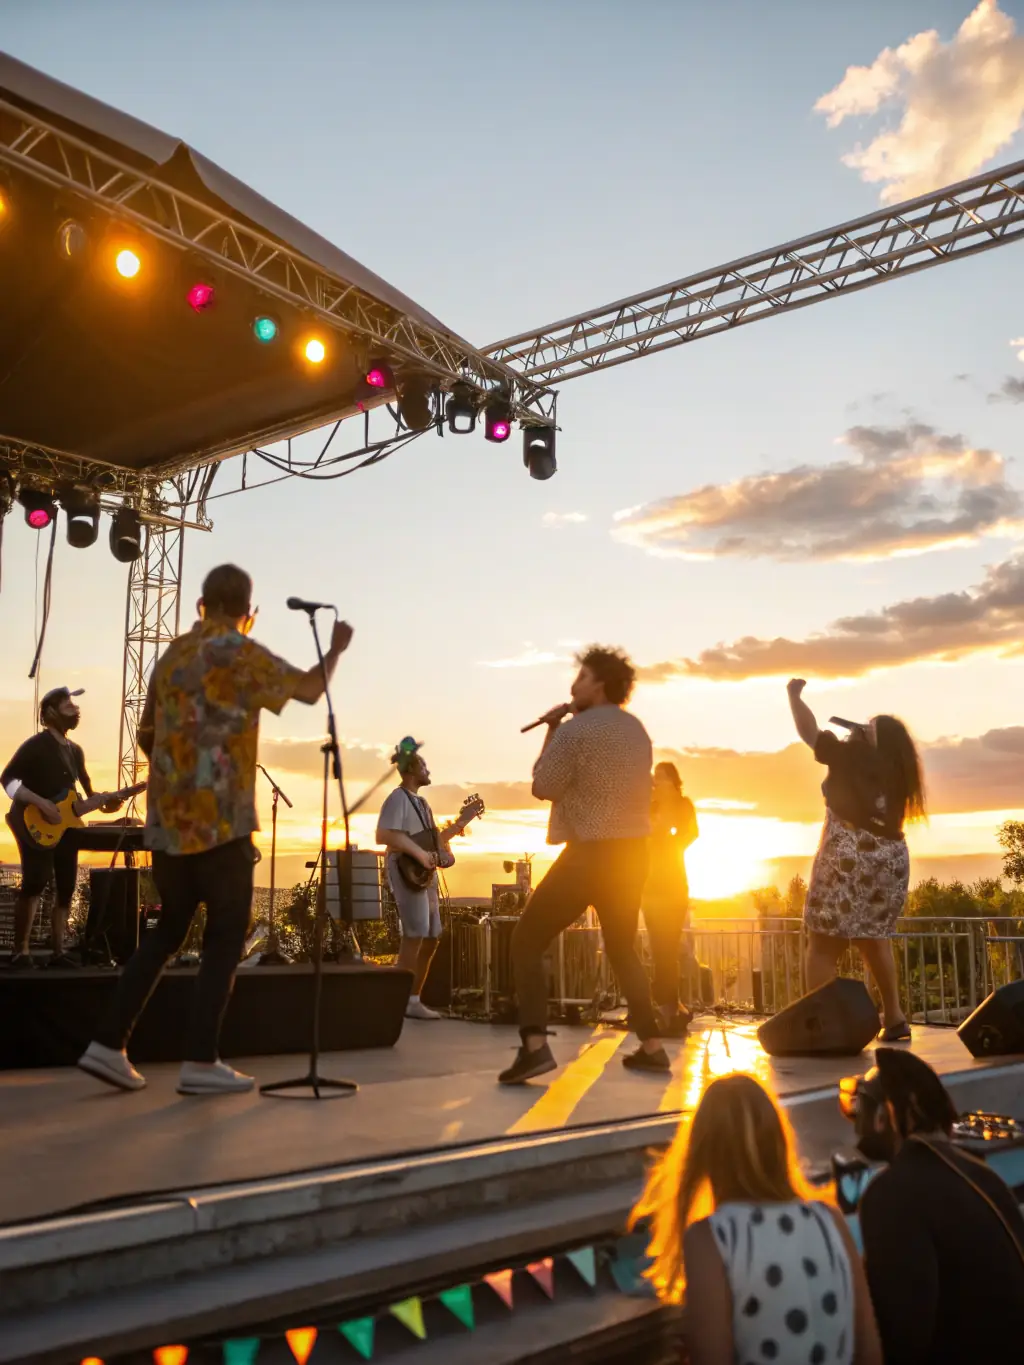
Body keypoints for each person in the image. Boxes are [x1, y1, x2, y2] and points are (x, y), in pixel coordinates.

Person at [78, 564, 353, 1095]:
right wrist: (337, 647)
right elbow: (310, 689)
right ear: (248, 614)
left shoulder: (173, 655)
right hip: (221, 821)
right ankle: (200, 1060)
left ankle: (107, 1044)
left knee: (167, 931)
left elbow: (148, 733)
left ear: (201, 605)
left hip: (168, 822)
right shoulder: (239, 651)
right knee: (226, 935)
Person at [499, 645, 667, 1084]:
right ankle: (652, 1046)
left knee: (526, 939)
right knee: (621, 948)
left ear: (601, 684)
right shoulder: (636, 731)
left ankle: (534, 1046)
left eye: (582, 677)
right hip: (634, 853)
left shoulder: (577, 730)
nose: (574, 685)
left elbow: (544, 785)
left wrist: (553, 728)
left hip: (593, 852)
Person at [633, 1072, 881, 1365]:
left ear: (704, 1153)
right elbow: (870, 1354)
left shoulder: (712, 1238)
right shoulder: (830, 1220)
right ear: (777, 1141)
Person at [856, 1048, 1024, 1365]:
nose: (855, 1122)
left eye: (859, 1106)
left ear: (885, 1115)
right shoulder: (984, 1177)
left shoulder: (892, 1194)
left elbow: (901, 1339)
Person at [787, 679, 925, 1041]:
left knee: (821, 944)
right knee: (873, 938)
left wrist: (794, 697)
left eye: (867, 728)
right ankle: (894, 1017)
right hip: (890, 859)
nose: (860, 730)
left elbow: (810, 732)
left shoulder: (851, 756)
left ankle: (822, 1026)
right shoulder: (899, 773)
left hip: (848, 855)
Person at [2, 687, 125, 969]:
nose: (74, 707)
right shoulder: (35, 746)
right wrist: (40, 802)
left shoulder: (75, 752)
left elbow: (87, 797)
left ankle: (59, 952)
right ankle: (20, 951)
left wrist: (108, 803)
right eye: (67, 703)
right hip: (33, 823)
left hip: (67, 828)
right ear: (50, 712)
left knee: (67, 886)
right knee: (35, 882)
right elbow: (7, 780)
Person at [376, 739, 474, 1020]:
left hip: (423, 875)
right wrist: (420, 854)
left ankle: (413, 999)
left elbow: (435, 841)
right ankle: (398, 999)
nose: (428, 769)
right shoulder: (398, 798)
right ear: (411, 770)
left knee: (431, 937)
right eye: (424, 765)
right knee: (415, 934)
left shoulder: (423, 804)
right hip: (406, 871)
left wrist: (461, 823)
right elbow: (386, 835)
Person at [642, 761, 699, 1035]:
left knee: (668, 948)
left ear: (673, 782)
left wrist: (670, 842)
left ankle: (669, 1008)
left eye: (662, 779)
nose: (657, 783)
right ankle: (673, 1008)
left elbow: (692, 832)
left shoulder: (683, 804)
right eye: (655, 779)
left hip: (674, 883)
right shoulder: (649, 806)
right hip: (650, 885)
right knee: (658, 948)